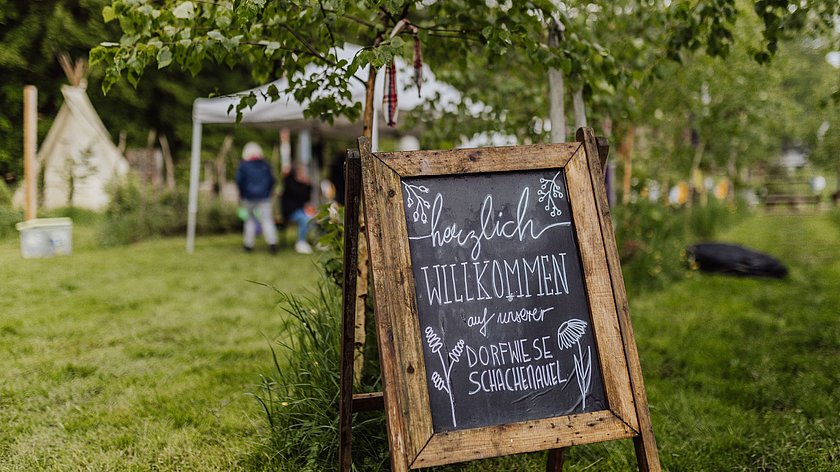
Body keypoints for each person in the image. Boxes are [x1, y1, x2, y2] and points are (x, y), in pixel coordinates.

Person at [236, 142, 278, 254]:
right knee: (267, 220)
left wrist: (242, 194)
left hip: (248, 197)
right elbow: (272, 180)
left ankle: (248, 245)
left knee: (249, 220)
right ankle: (272, 242)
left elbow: (239, 181)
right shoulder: (265, 165)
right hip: (264, 197)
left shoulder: (244, 166)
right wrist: (268, 192)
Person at [281, 164, 314, 254]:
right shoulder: (290, 183)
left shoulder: (303, 184)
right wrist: (304, 185)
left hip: (301, 210)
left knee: (317, 218)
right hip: (291, 211)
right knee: (305, 219)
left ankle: (320, 242)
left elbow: (306, 198)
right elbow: (298, 194)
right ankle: (301, 242)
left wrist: (308, 186)